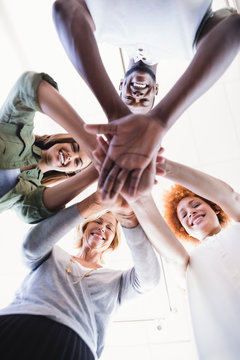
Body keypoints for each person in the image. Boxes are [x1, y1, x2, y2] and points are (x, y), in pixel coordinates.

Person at [53, 0, 240, 198]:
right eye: (143, 101)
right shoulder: (191, 47)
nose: (137, 95)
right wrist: (161, 119)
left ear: (121, 86)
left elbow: (64, 8)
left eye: (128, 98)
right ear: (156, 90)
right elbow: (233, 27)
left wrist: (115, 111)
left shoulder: (100, 30)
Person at [0, 191, 160, 360]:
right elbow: (30, 247)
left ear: (113, 241)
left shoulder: (118, 281)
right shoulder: (51, 254)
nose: (102, 227)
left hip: (75, 345)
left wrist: (128, 220)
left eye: (109, 227)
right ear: (85, 226)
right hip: (20, 323)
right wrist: (91, 204)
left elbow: (149, 279)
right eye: (98, 221)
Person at [156, 157, 240, 360]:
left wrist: (160, 165)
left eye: (195, 204)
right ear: (184, 230)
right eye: (183, 215)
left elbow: (231, 197)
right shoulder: (189, 264)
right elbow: (170, 256)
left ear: (215, 207)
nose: (191, 213)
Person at [0, 71, 98, 223]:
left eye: (77, 162)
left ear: (71, 172)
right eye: (74, 147)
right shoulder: (19, 134)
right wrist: (90, 142)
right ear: (63, 140)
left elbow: (31, 213)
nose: (70, 155)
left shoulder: (31, 191)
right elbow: (27, 86)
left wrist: (98, 170)